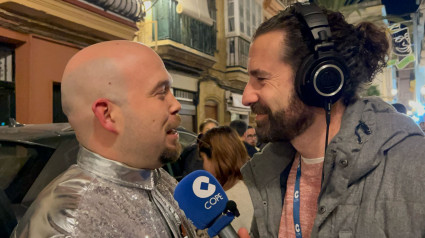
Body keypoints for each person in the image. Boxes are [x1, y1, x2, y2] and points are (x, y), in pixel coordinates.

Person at [240, 2, 425, 238]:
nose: (246, 96)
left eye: (261, 79)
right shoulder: (270, 171)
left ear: (321, 81)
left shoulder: (415, 168)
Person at [11, 41, 196, 237]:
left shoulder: (160, 181)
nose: (176, 105)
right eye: (161, 92)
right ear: (107, 115)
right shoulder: (70, 225)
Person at [198, 126, 253, 233]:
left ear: (215, 160)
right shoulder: (253, 187)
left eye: (203, 159)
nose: (203, 166)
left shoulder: (221, 204)